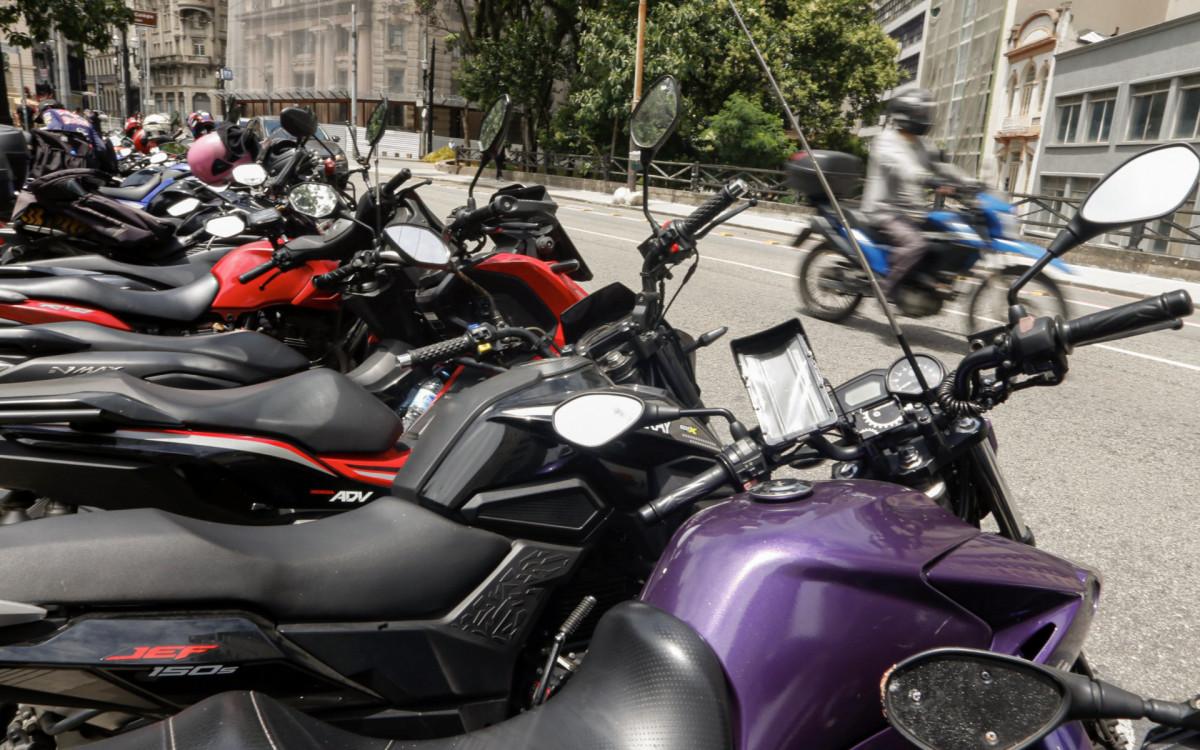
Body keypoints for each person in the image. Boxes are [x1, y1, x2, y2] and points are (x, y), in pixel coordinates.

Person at [861, 88, 968, 302]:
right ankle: (887, 291)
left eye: (925, 113)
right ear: (905, 115)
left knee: (948, 234)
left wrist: (969, 182)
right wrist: (930, 179)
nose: (925, 118)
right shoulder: (886, 141)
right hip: (885, 212)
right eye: (920, 113)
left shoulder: (919, 144)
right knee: (915, 244)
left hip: (910, 212)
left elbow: (941, 166)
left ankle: (923, 283)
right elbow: (904, 168)